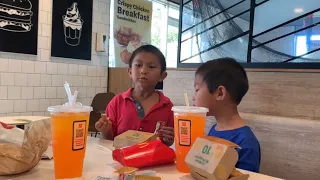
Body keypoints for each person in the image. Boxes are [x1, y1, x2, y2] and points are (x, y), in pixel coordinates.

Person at [95, 45, 174, 146]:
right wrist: (104, 130)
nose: (143, 71)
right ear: (130, 71)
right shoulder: (117, 102)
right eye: (138, 65)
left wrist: (169, 139)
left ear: (162, 76)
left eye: (152, 66)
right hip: (120, 160)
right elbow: (110, 141)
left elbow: (167, 142)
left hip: (152, 161)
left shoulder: (167, 107)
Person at [192, 58, 261, 172]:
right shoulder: (214, 130)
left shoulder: (245, 143)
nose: (193, 97)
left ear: (220, 93)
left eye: (197, 89)